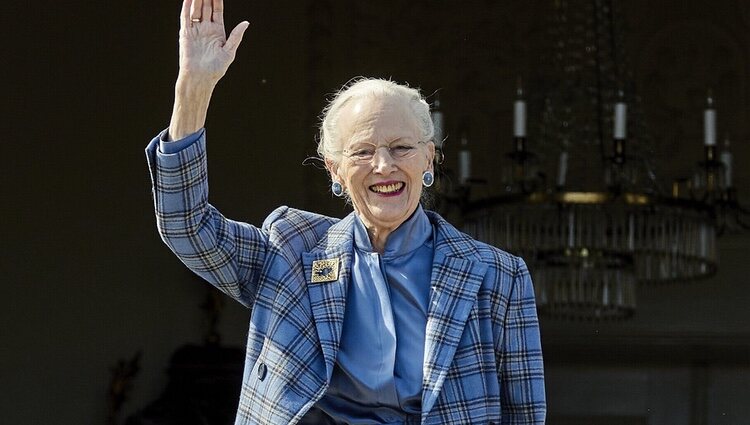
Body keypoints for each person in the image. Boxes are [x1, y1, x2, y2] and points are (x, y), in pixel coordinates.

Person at [145, 0, 546, 423]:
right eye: (363, 151)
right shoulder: (292, 254)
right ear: (334, 169)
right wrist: (193, 89)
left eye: (402, 148)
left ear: (428, 160)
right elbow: (186, 226)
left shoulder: (496, 276)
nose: (384, 166)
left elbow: (524, 415)